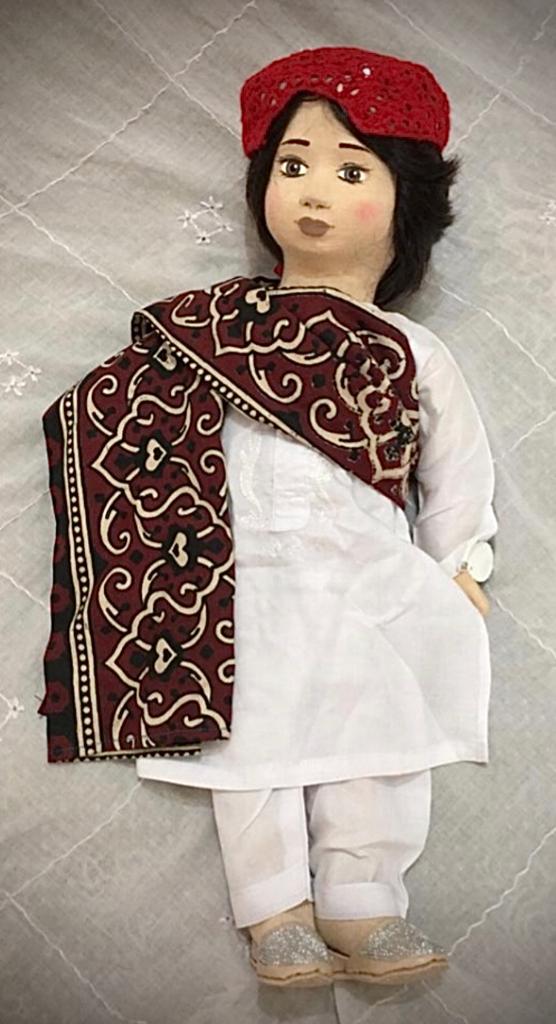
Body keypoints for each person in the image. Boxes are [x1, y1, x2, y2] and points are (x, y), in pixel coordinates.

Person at [38, 47, 498, 988]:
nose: (314, 191)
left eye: (350, 171)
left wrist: (461, 559)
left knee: (378, 729)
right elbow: (127, 411)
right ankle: (274, 909)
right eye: (293, 165)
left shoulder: (409, 348)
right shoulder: (211, 332)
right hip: (234, 578)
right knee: (247, 737)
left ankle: (366, 900)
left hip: (370, 576)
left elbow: (456, 463)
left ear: (403, 205)